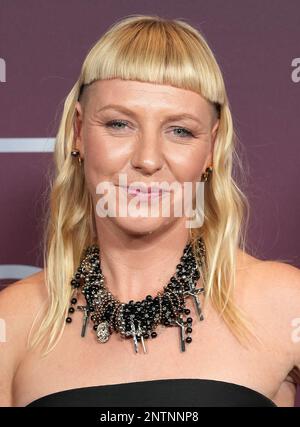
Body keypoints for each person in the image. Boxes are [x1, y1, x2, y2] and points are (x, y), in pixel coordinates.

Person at [1, 14, 300, 408]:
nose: (147, 159)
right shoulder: (16, 321)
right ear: (78, 132)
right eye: (120, 124)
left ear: (210, 149)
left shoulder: (282, 303)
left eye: (180, 131)